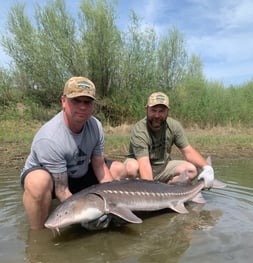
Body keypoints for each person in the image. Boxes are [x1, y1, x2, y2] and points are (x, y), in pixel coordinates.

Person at [21, 76, 127, 230]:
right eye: (76, 101)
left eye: (87, 102)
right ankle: (39, 232)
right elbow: (62, 189)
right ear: (63, 101)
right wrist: (83, 219)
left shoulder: (95, 126)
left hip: (79, 174)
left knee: (118, 169)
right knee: (38, 182)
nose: (82, 107)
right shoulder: (50, 138)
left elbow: (99, 165)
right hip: (53, 182)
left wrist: (113, 204)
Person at [125, 91, 214, 187]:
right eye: (153, 110)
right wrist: (151, 191)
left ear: (168, 111)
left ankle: (168, 189)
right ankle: (144, 190)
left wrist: (207, 168)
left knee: (191, 170)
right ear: (146, 109)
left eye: (161, 111)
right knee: (131, 167)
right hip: (140, 169)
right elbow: (144, 164)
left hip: (163, 168)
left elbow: (188, 151)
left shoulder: (173, 126)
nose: (157, 115)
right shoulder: (140, 130)